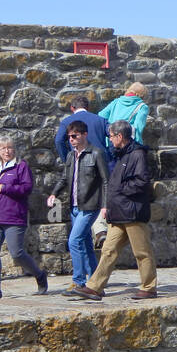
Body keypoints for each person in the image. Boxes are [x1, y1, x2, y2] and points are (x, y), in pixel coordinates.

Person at [74, 121, 158, 300]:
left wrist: (120, 190)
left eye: (111, 136)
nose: (110, 140)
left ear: (120, 136)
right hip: (119, 212)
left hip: (133, 212)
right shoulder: (122, 155)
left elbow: (141, 182)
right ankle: (95, 286)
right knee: (108, 250)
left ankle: (149, 287)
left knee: (142, 252)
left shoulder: (137, 155)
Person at [0, 134, 48, 299]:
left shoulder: (21, 167)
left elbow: (27, 188)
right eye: (3, 148)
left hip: (14, 217)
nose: (6, 151)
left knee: (16, 253)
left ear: (14, 150)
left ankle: (39, 274)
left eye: (9, 148)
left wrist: (6, 188)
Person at [47, 119, 109, 297]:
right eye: (69, 137)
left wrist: (105, 205)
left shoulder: (96, 153)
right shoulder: (70, 156)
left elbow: (106, 181)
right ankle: (96, 284)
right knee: (86, 244)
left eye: (75, 136)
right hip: (75, 206)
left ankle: (78, 281)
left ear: (84, 135)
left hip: (90, 205)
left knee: (74, 241)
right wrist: (54, 194)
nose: (71, 140)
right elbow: (65, 179)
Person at [98, 83, 150, 166]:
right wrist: (139, 147)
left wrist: (110, 131)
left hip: (112, 140)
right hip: (127, 142)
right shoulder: (142, 107)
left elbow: (101, 115)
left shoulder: (116, 102)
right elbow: (138, 128)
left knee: (113, 169)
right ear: (142, 94)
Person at [55, 94, 109, 162]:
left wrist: (67, 160)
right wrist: (110, 154)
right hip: (102, 160)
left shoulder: (66, 122)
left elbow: (59, 141)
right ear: (88, 107)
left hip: (79, 161)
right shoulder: (101, 120)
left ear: (72, 108)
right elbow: (114, 135)